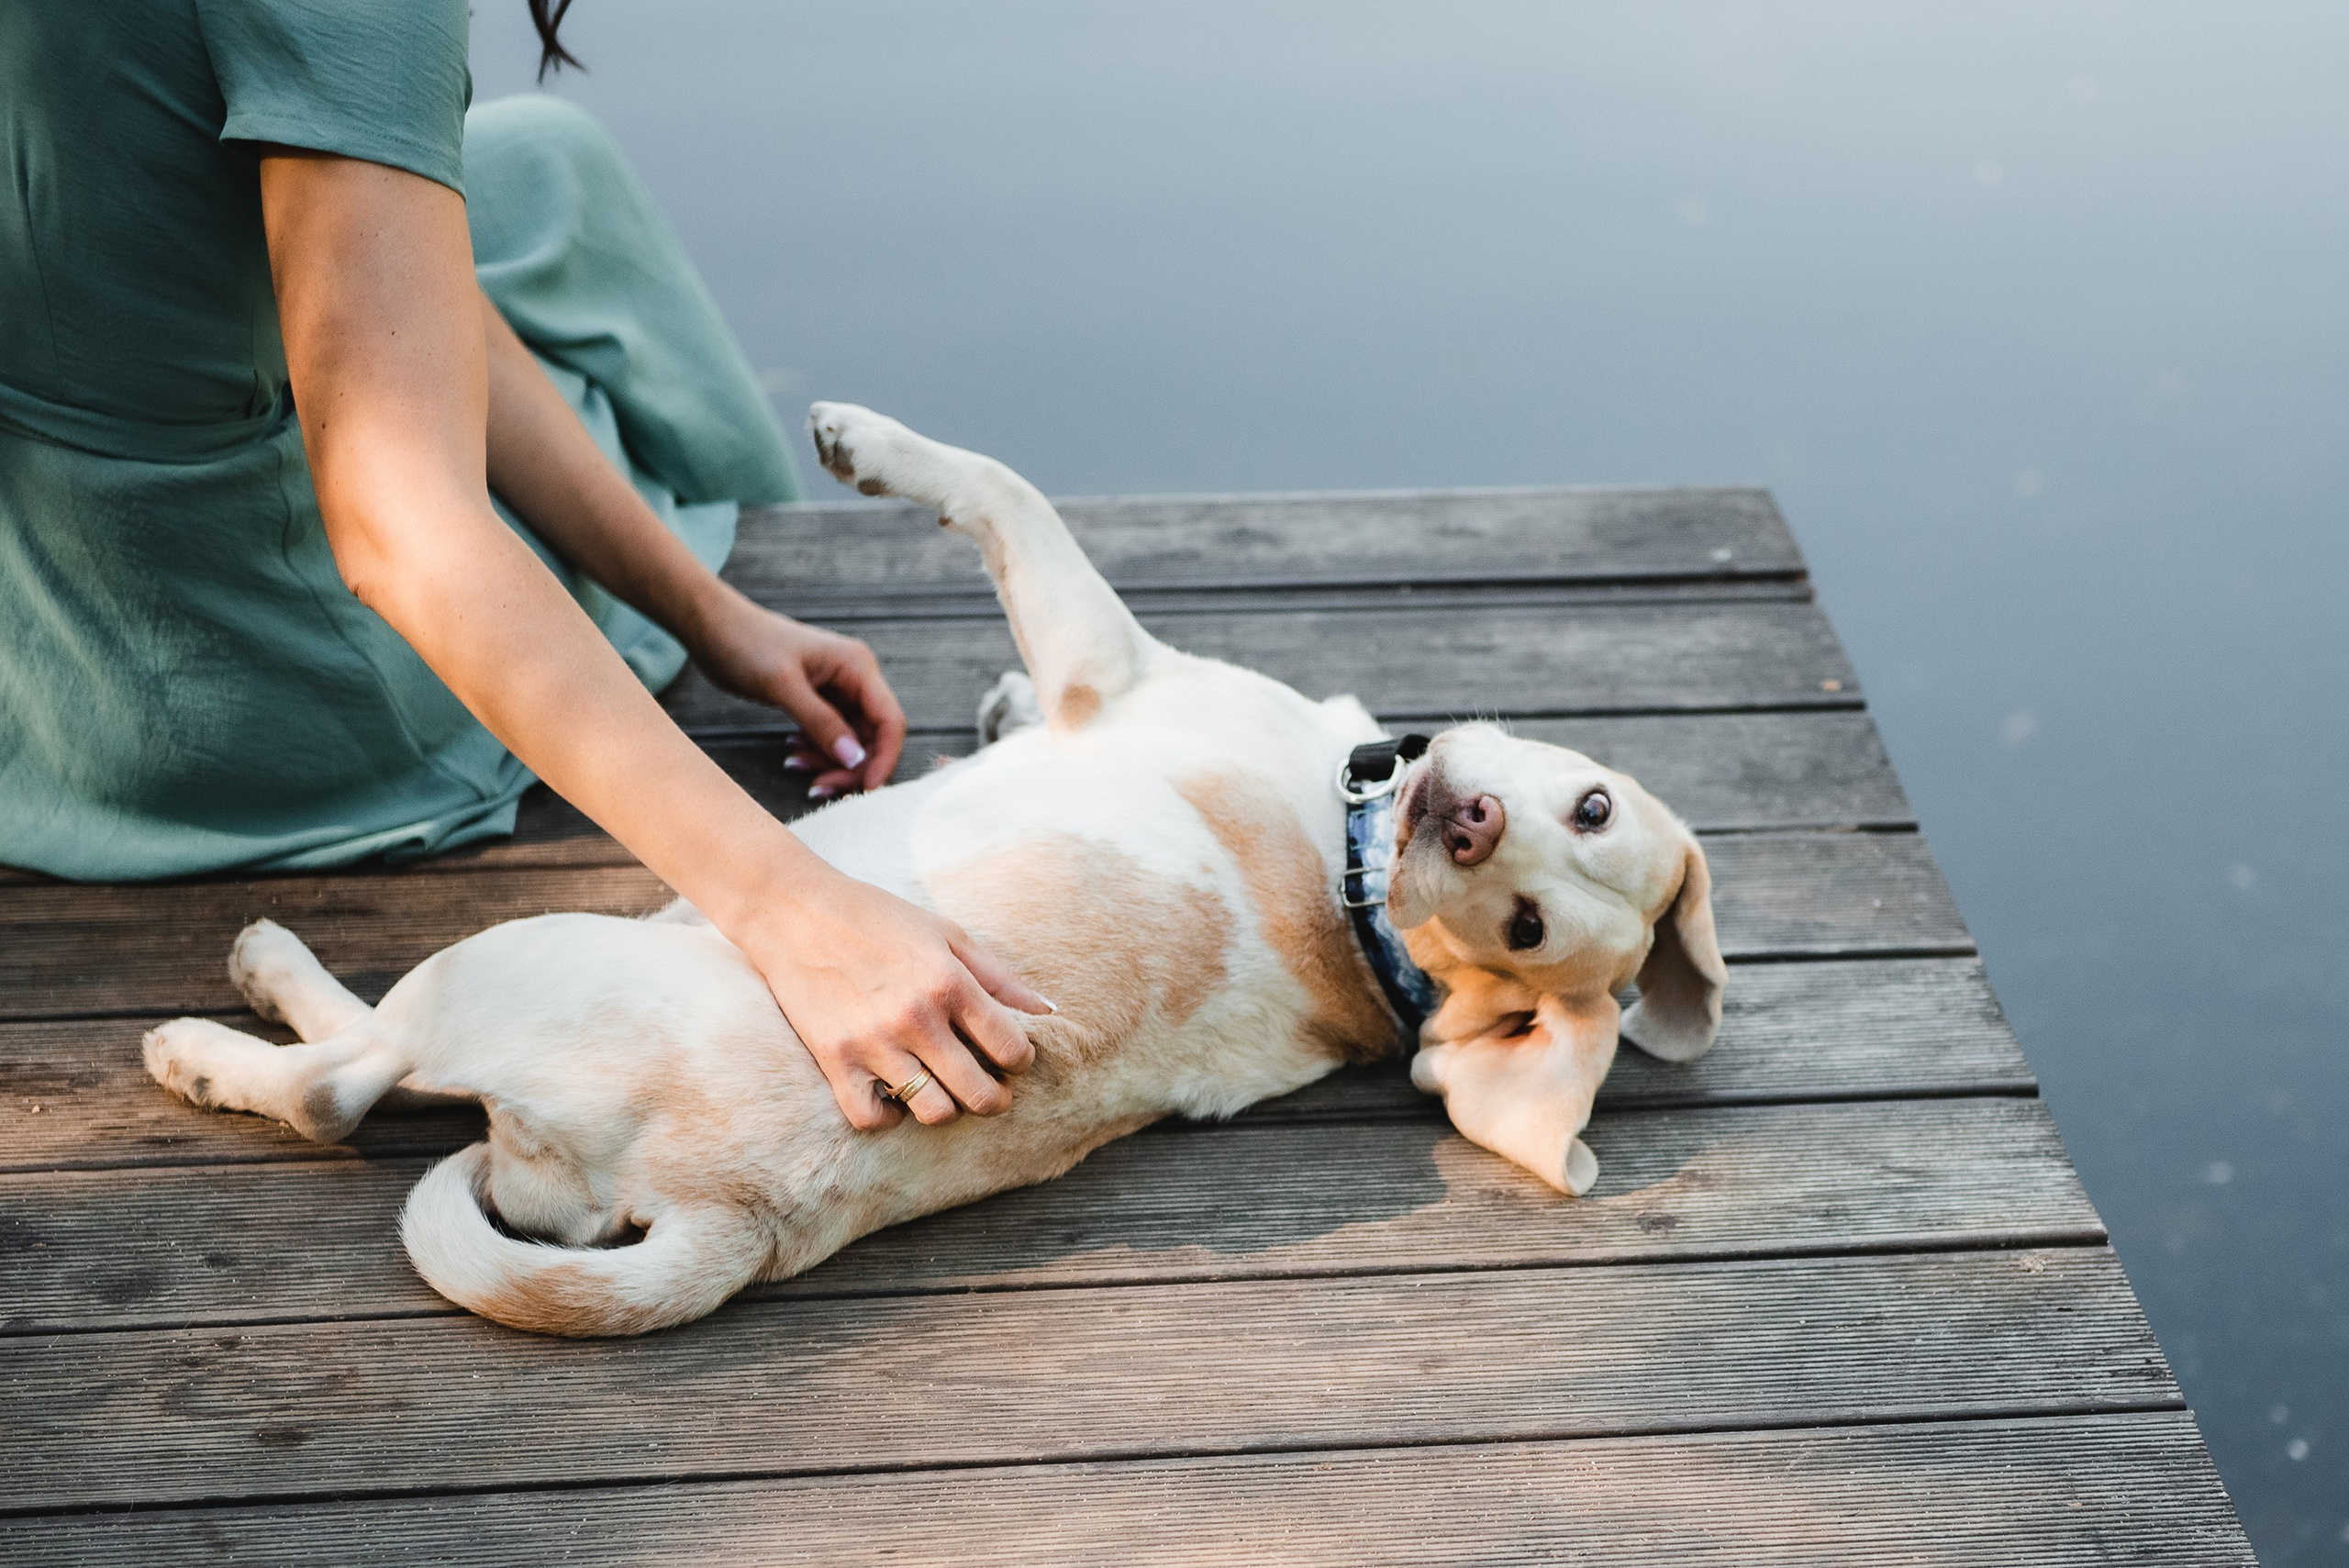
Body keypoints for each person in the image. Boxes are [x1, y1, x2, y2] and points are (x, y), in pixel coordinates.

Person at [0, 1, 1046, 1129]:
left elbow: (391, 278)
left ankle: (716, 587)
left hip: (35, 599)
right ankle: (734, 520)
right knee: (569, 288)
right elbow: (401, 524)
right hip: (208, 685)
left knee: (548, 164)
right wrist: (797, 910)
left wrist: (709, 616)